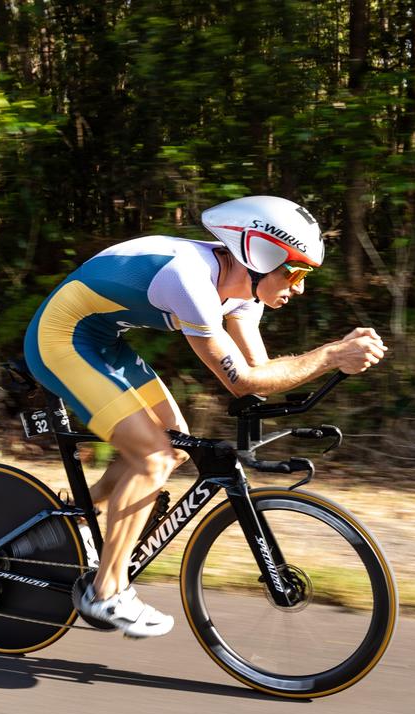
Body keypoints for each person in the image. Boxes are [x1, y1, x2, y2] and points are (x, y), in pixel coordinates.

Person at [23, 195, 387, 638]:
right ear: (257, 254)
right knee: (153, 458)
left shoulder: (242, 297)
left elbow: (260, 373)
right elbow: (242, 382)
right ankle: (106, 594)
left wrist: (319, 374)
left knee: (172, 445)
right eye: (296, 271)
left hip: (104, 341)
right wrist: (330, 355)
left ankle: (77, 518)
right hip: (61, 338)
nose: (300, 286)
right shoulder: (189, 281)